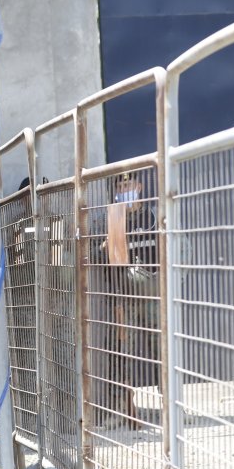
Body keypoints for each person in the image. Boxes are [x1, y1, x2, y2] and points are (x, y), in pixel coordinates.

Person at [90, 171, 159, 429]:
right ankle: (122, 410)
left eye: (129, 184)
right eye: (121, 185)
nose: (125, 188)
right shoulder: (109, 218)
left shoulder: (155, 215)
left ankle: (173, 404)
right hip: (121, 297)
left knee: (163, 349)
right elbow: (91, 255)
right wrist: (105, 246)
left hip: (153, 295)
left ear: (139, 186)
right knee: (120, 353)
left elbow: (180, 248)